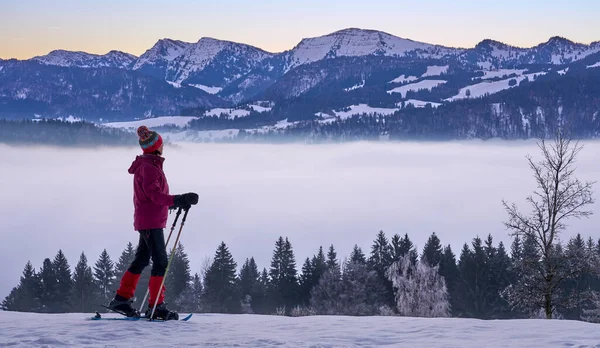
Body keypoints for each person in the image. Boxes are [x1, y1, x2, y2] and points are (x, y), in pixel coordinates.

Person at [107, 125, 198, 320]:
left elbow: (153, 197)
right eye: (161, 143)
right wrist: (178, 199)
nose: (163, 146)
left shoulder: (149, 164)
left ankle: (122, 299)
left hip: (148, 219)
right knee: (160, 262)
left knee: (141, 260)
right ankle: (156, 306)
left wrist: (173, 203)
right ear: (156, 146)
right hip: (151, 221)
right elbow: (155, 195)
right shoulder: (149, 167)